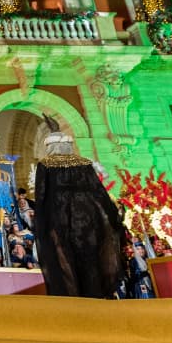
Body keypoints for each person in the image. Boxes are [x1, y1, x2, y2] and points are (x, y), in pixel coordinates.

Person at [31, 115, 125, 298]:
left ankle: (73, 299)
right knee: (90, 258)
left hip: (60, 219)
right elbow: (99, 192)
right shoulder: (85, 164)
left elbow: (41, 196)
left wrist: (41, 225)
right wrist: (113, 216)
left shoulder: (46, 165)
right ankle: (95, 296)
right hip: (89, 218)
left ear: (50, 146)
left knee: (65, 260)